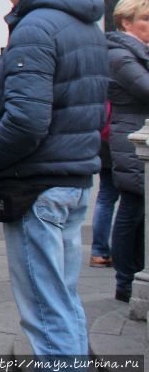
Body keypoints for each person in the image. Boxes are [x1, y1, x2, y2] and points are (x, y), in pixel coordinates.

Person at [0, 0, 105, 360]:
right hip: (70, 178)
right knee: (63, 303)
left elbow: (26, 120)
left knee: (47, 316)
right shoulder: (82, 22)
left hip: (38, 186)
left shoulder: (36, 26)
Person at [107, 0, 149, 303]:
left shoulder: (136, 52)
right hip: (130, 137)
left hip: (134, 133)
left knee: (136, 210)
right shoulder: (120, 54)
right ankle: (125, 280)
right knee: (131, 209)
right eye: (145, 19)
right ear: (126, 22)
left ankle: (133, 274)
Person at [90, 104, 118, 268]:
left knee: (105, 197)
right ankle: (108, 251)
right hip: (121, 139)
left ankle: (99, 251)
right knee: (128, 200)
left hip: (105, 140)